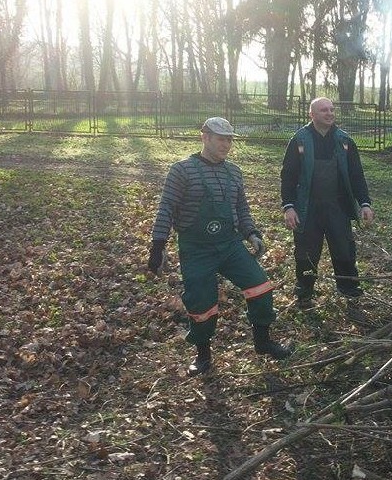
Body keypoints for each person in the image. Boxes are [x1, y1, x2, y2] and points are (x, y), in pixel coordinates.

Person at [147, 117, 293, 376]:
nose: (226, 144)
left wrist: (252, 234)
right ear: (205, 137)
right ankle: (203, 355)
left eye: (229, 140)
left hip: (230, 245)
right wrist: (157, 248)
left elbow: (242, 208)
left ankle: (263, 342)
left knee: (260, 286)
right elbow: (166, 208)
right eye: (220, 139)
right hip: (196, 248)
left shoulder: (234, 172)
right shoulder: (181, 170)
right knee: (201, 302)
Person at [280, 97, 375, 311]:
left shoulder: (344, 141)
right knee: (306, 255)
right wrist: (289, 206)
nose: (330, 113)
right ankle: (304, 295)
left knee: (344, 252)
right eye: (324, 110)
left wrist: (365, 203)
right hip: (307, 209)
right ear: (312, 114)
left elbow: (356, 175)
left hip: (337, 207)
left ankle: (350, 292)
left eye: (332, 109)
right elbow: (288, 176)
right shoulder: (300, 140)